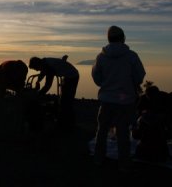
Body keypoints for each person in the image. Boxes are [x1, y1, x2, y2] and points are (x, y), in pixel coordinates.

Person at [91, 25, 146, 172]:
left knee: (102, 131)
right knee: (123, 133)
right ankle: (123, 163)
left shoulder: (101, 57)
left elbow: (96, 77)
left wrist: (106, 85)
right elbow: (139, 76)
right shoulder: (131, 56)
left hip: (106, 100)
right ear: (123, 38)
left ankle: (98, 159)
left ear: (108, 39)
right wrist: (130, 85)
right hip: (125, 101)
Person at [28, 55, 79, 130]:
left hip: (72, 76)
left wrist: (38, 95)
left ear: (38, 64)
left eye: (36, 68)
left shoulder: (48, 67)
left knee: (66, 101)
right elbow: (42, 73)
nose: (38, 70)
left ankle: (68, 124)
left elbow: (48, 85)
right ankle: (65, 122)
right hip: (68, 75)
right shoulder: (44, 62)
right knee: (64, 100)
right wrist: (38, 81)